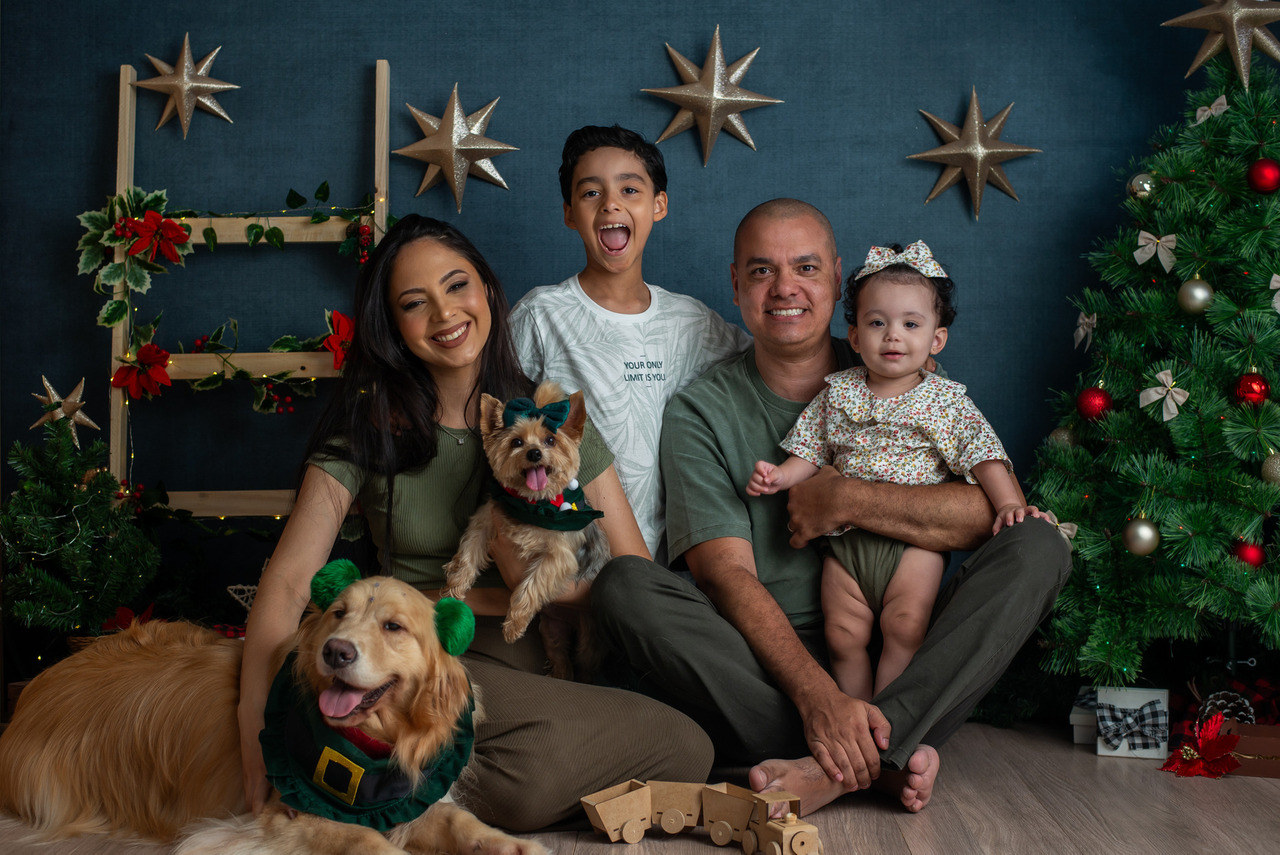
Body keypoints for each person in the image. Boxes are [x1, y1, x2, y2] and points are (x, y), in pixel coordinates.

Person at [592, 199, 1071, 815]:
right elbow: (725, 575)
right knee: (626, 584)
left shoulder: (899, 365)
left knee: (1037, 544)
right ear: (735, 285)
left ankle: (841, 762)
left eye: (807, 268)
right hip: (767, 671)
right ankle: (887, 749)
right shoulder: (701, 411)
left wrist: (846, 497)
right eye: (762, 271)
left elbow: (984, 515)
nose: (785, 287)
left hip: (907, 641)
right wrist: (820, 698)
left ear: (838, 281)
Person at [237, 215, 713, 832]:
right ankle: (405, 784)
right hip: (422, 664)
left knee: (681, 747)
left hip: (540, 671)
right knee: (655, 754)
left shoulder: (551, 421)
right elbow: (288, 582)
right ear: (393, 328)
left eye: (457, 285)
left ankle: (405, 789)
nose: (443, 314)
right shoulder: (366, 432)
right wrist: (256, 735)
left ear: (487, 290)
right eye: (414, 303)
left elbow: (634, 580)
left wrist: (536, 589)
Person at [746, 240, 1047, 703]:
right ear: (854, 336)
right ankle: (856, 717)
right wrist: (782, 476)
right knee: (844, 636)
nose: (892, 336)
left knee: (904, 629)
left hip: (914, 544)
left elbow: (983, 454)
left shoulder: (945, 401)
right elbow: (810, 449)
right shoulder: (837, 393)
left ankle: (888, 720)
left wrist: (1010, 504)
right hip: (846, 546)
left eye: (910, 324)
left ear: (936, 339)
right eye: (877, 323)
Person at [511, 124, 750, 560]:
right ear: (569, 214)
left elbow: (771, 364)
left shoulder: (691, 321)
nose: (611, 204)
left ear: (658, 204)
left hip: (670, 563)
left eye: (629, 189)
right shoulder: (540, 316)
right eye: (590, 194)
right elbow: (491, 422)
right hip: (569, 555)